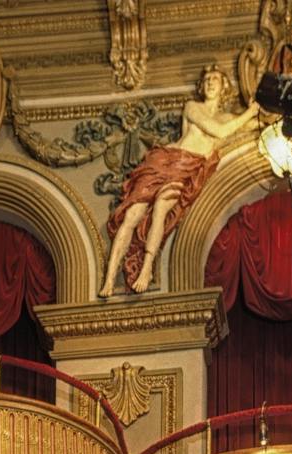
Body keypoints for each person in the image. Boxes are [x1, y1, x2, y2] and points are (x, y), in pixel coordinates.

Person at [101, 67, 258, 295]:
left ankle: (147, 269)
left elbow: (251, 128)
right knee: (132, 215)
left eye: (215, 79)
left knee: (161, 210)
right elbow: (220, 131)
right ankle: (108, 279)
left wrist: (261, 114)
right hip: (166, 160)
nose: (210, 83)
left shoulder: (228, 118)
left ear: (225, 87)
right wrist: (250, 112)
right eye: (206, 80)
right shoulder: (193, 107)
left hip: (186, 169)